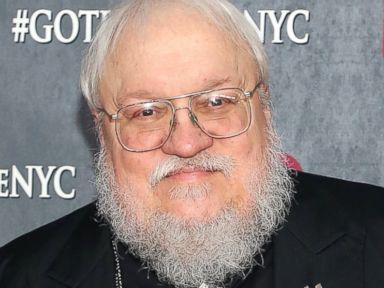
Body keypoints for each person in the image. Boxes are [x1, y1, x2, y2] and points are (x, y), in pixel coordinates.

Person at [1, 0, 384, 287]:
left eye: (217, 102)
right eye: (147, 112)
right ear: (101, 130)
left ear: (264, 108)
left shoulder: (375, 240)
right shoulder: (20, 276)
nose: (186, 143)